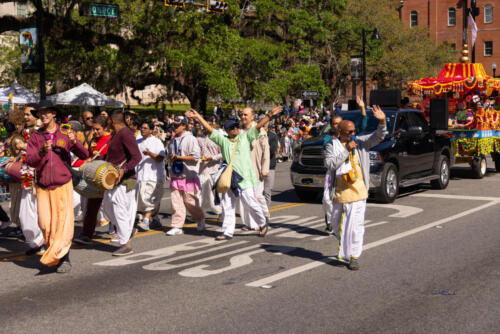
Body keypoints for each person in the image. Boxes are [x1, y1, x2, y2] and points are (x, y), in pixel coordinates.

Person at [185, 106, 283, 240]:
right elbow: (209, 129)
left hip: (244, 179)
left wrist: (270, 115)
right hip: (229, 178)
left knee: (250, 202)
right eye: (232, 128)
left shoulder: (244, 137)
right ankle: (227, 232)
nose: (235, 129)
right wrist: (198, 117)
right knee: (227, 205)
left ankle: (262, 223)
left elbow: (258, 126)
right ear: (227, 131)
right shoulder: (223, 141)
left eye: (236, 127)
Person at [26, 105, 89, 273]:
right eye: (40, 113)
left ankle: (63, 258)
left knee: (62, 224)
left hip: (62, 183)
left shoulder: (65, 133)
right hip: (43, 185)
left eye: (46, 112)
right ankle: (55, 253)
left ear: (53, 114)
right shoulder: (36, 136)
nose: (43, 115)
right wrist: (41, 151)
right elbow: (30, 160)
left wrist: (74, 142)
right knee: (45, 224)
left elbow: (84, 155)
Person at [324, 105, 387, 271]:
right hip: (340, 193)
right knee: (337, 226)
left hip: (358, 192)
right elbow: (330, 164)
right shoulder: (332, 145)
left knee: (355, 226)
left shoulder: (360, 143)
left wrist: (382, 121)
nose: (352, 135)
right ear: (340, 132)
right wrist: (346, 150)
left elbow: (378, 136)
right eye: (349, 132)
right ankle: (346, 246)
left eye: (353, 132)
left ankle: (353, 256)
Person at [101, 110, 142, 256]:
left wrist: (124, 169)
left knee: (120, 209)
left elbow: (137, 157)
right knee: (107, 208)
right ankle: (128, 230)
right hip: (113, 178)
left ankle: (126, 244)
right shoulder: (115, 134)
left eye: (107, 119)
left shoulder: (125, 133)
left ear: (112, 121)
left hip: (126, 179)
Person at [74, 116, 112, 245]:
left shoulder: (110, 140)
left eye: (98, 129)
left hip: (107, 178)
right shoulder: (93, 140)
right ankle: (87, 234)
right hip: (94, 178)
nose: (95, 132)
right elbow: (88, 155)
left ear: (105, 128)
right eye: (94, 129)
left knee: (112, 206)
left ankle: (121, 231)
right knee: (91, 207)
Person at [165, 116, 205, 235]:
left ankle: (200, 218)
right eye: (174, 125)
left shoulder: (190, 139)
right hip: (176, 175)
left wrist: (179, 157)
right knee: (176, 202)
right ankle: (177, 226)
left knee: (190, 202)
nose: (174, 127)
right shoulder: (172, 140)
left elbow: (196, 157)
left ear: (184, 125)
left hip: (188, 175)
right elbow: (170, 154)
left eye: (177, 125)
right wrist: (171, 158)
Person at [239, 109, 270, 230]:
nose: (243, 117)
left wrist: (264, 169)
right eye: (242, 114)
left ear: (252, 117)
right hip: (242, 170)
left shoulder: (260, 131)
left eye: (245, 115)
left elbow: (266, 152)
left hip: (256, 169)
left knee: (256, 195)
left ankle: (263, 218)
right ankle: (249, 223)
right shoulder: (240, 131)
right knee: (244, 198)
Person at [136, 120, 166, 232]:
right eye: (141, 128)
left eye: (145, 128)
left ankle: (146, 221)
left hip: (153, 176)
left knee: (151, 199)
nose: (142, 130)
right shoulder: (137, 141)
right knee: (144, 200)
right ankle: (155, 219)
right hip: (140, 175)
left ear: (151, 130)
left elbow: (160, 158)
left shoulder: (156, 142)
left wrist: (150, 154)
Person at [197, 128, 223, 216]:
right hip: (202, 170)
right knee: (200, 194)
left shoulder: (218, 138)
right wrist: (198, 160)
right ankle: (199, 214)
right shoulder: (198, 139)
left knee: (216, 194)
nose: (204, 127)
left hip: (215, 170)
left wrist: (212, 158)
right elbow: (196, 153)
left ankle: (221, 212)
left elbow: (223, 153)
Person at [264, 122, 279, 211]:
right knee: (257, 192)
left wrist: (264, 147)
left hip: (269, 166)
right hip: (258, 167)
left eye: (264, 124)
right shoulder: (256, 135)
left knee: (267, 191)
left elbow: (272, 150)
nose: (262, 126)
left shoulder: (273, 136)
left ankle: (266, 214)